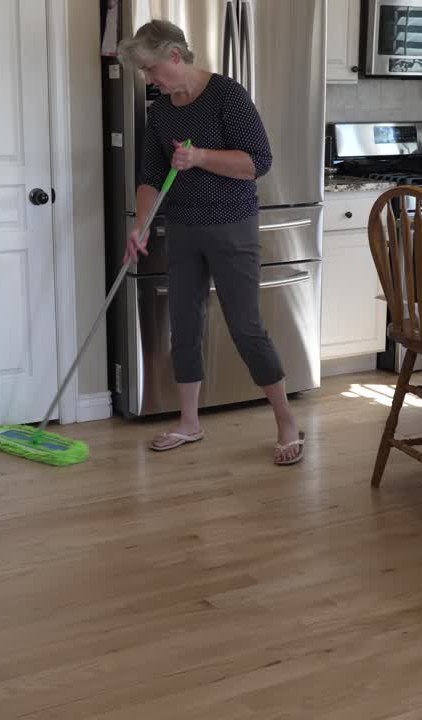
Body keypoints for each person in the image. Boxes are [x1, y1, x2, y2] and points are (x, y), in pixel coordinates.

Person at [118, 20, 304, 466]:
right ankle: (189, 422)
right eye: (144, 73)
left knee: (246, 328)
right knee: (183, 324)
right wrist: (141, 226)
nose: (149, 80)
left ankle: (285, 420)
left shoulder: (227, 95)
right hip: (183, 227)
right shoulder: (161, 110)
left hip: (232, 225)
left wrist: (199, 156)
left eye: (151, 69)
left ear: (176, 56)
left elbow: (257, 162)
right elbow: (149, 176)